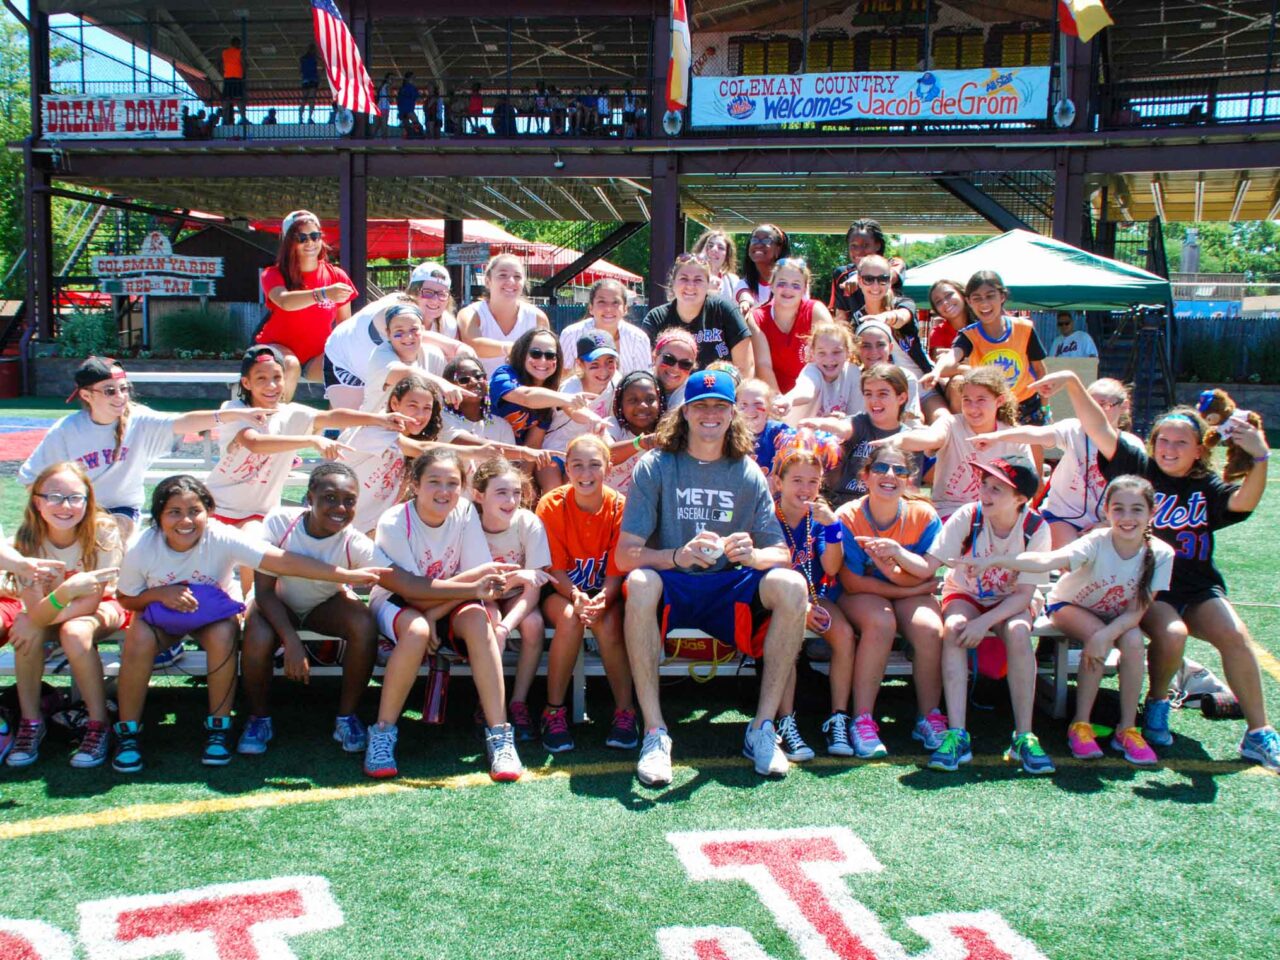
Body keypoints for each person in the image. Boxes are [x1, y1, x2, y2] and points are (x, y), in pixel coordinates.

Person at [1037, 371, 1280, 770]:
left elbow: (1243, 503)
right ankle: (1157, 703)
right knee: (1172, 633)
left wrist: (1260, 457)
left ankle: (1258, 733)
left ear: (1200, 450)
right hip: (1148, 587)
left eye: (1181, 442)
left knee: (1236, 635)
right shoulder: (1137, 466)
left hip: (1197, 586)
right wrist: (1071, 383)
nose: (1169, 448)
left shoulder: (1207, 486)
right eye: (1163, 440)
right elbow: (1096, 425)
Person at [112, 476, 386, 773]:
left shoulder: (221, 535)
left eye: (195, 511)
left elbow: (282, 561)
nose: (186, 520)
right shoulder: (144, 545)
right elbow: (126, 598)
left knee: (224, 633)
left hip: (211, 615)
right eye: (174, 512)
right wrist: (161, 594)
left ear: (209, 512)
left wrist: (346, 577)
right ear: (159, 517)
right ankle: (128, 732)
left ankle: (219, 727)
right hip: (161, 615)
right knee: (138, 637)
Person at [616, 369, 809, 785]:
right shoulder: (656, 465)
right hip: (676, 581)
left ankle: (762, 728)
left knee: (792, 586)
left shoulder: (746, 471)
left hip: (728, 584)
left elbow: (781, 554)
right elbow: (625, 555)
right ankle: (654, 731)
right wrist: (676, 554)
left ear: (732, 413)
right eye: (700, 405)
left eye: (719, 406)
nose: (709, 414)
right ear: (684, 413)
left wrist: (753, 554)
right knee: (641, 583)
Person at [975, 475, 1174, 764]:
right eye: (1118, 509)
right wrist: (999, 560)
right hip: (1068, 606)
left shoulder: (1161, 553)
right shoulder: (1096, 541)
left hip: (1118, 616)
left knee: (1132, 642)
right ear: (1106, 512)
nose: (1126, 517)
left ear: (1151, 514)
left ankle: (1127, 728)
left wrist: (1107, 635)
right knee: (1097, 636)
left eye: (1136, 509)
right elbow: (1050, 561)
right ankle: (1080, 725)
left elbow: (1137, 611)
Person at [364, 450, 523, 781]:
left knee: (479, 622)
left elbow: (480, 574)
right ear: (415, 484)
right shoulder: (395, 521)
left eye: (453, 483)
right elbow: (410, 590)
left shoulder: (464, 510)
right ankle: (382, 733)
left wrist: (445, 605)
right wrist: (466, 592)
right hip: (396, 600)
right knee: (418, 631)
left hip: (446, 599)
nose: (444, 491)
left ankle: (500, 734)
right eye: (434, 482)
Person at [18, 357, 267, 541]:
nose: (120, 396)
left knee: (107, 535)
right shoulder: (67, 430)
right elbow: (32, 479)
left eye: (124, 389)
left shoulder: (139, 420)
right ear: (86, 395)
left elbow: (184, 421)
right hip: (75, 508)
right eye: (109, 391)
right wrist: (54, 514)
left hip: (120, 510)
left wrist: (235, 414)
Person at [238, 464, 389, 756]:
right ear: (310, 497)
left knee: (362, 622)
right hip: (276, 603)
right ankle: (258, 718)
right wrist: (291, 641)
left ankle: (346, 718)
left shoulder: (353, 540)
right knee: (257, 632)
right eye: (330, 497)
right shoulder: (281, 522)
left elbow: (392, 574)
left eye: (349, 500)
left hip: (322, 606)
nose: (340, 507)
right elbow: (265, 592)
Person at [924, 455, 1055, 774]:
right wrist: (896, 556)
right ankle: (957, 734)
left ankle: (1024, 735)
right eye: (984, 484)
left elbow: (1024, 595)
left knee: (1019, 632)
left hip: (1013, 599)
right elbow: (930, 563)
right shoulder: (967, 516)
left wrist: (984, 623)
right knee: (954, 627)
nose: (985, 492)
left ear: (1021, 499)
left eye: (998, 488)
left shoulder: (1036, 528)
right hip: (967, 593)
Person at [204, 346, 410, 535]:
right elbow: (255, 443)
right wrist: (311, 440)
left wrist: (379, 419)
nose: (272, 385)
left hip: (259, 512)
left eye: (277, 377)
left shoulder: (292, 413)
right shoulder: (234, 410)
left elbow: (332, 416)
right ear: (246, 383)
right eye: (261, 378)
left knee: (256, 546)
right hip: (218, 506)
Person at [2, 463, 124, 769]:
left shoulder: (102, 530)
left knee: (73, 631)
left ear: (88, 500)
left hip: (104, 607)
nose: (65, 506)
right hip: (56, 608)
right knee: (27, 631)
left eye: (74, 497)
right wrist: (60, 597)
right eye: (54, 496)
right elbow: (36, 607)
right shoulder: (29, 538)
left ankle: (99, 723)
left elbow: (88, 604)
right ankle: (31, 722)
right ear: (37, 502)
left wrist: (48, 607)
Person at [835, 444, 946, 759]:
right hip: (862, 594)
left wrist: (894, 566)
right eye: (881, 468)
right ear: (865, 476)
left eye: (899, 470)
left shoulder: (924, 515)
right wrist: (909, 588)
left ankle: (929, 717)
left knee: (929, 629)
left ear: (910, 479)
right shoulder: (849, 516)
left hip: (906, 589)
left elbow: (927, 572)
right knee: (881, 623)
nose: (890, 475)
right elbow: (853, 582)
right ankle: (863, 720)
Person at [536, 434, 637, 751]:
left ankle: (625, 711)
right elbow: (555, 570)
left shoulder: (620, 505)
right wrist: (578, 597)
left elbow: (616, 571)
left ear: (608, 467)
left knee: (607, 623)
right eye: (577, 465)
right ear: (567, 469)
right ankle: (553, 711)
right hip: (562, 590)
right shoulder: (551, 504)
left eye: (594, 465)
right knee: (569, 619)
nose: (586, 473)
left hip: (604, 589)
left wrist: (603, 598)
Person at [769, 439, 855, 759]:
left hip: (817, 595)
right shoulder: (767, 515)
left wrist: (832, 527)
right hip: (776, 598)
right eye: (797, 481)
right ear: (779, 482)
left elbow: (831, 566)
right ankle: (786, 722)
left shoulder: (820, 519)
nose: (805, 489)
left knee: (844, 635)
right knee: (789, 638)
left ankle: (838, 718)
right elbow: (764, 572)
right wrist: (800, 608)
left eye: (813, 482)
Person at [972, 378, 1135, 547]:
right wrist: (996, 437)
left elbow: (1135, 493)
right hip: (1062, 514)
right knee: (1073, 557)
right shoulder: (1073, 429)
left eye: (1103, 405)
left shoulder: (1132, 446)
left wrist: (1107, 524)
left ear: (1123, 406)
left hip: (1108, 520)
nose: (1094, 411)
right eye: (1089, 403)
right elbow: (1036, 434)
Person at [471, 459, 552, 743]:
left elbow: (534, 588)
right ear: (479, 495)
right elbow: (477, 584)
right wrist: (518, 578)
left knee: (533, 625)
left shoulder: (528, 522)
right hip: (484, 594)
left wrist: (507, 627)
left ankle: (518, 701)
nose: (511, 500)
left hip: (519, 595)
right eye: (501, 492)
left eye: (516, 492)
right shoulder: (469, 523)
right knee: (487, 621)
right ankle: (489, 700)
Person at [887, 367, 1033, 521]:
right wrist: (899, 440)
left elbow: (1027, 487)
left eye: (981, 400)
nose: (972, 407)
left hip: (996, 514)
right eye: (966, 400)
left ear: (999, 401)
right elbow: (931, 437)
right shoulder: (951, 424)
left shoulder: (1014, 436)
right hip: (950, 511)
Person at [323, 260, 468, 410]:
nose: (434, 299)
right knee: (355, 424)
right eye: (428, 292)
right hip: (346, 362)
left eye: (442, 294)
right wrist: (456, 347)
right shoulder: (393, 308)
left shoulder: (447, 324)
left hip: (391, 371)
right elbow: (408, 335)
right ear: (413, 291)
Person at [924, 270, 1049, 429]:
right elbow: (953, 356)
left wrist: (1046, 409)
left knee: (1032, 452)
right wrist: (936, 371)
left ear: (1002, 297)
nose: (984, 303)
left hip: (1026, 404)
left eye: (990, 296)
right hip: (993, 408)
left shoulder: (1023, 328)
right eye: (977, 298)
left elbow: (1040, 370)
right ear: (969, 301)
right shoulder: (969, 335)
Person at [256, 210, 357, 401]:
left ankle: (337, 428)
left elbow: (345, 327)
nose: (310, 242)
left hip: (316, 358)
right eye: (301, 237)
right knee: (290, 364)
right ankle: (276, 424)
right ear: (288, 242)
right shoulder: (273, 273)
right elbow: (285, 301)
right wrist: (324, 293)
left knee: (350, 370)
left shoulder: (336, 275)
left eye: (315, 236)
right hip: (277, 349)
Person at [802, 363, 918, 508]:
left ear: (901, 398)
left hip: (884, 506)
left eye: (883, 394)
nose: (874, 400)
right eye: (868, 394)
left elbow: (911, 489)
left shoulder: (909, 438)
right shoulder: (860, 422)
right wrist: (818, 423)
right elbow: (843, 428)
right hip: (843, 503)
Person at [490, 329, 603, 451]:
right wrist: (566, 398)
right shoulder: (504, 375)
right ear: (523, 354)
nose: (543, 361)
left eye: (550, 355)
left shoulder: (548, 400)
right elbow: (526, 397)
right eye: (535, 353)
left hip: (512, 457)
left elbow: (532, 446)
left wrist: (595, 419)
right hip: (484, 447)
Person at [640, 254, 754, 374]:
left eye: (698, 280)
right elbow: (647, 367)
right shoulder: (656, 318)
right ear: (673, 283)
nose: (690, 285)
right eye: (684, 279)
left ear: (708, 284)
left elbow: (745, 369)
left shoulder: (725, 311)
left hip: (718, 389)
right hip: (671, 390)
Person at [539, 330, 619, 490]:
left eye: (609, 362)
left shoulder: (616, 381)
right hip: (556, 451)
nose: (603, 371)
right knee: (555, 494)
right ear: (580, 364)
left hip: (586, 455)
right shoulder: (571, 386)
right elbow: (573, 410)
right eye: (594, 365)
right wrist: (593, 418)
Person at [457, 254, 551, 376]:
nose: (511, 281)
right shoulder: (471, 314)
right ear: (487, 281)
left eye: (517, 276)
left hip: (524, 391)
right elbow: (472, 346)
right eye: (502, 275)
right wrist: (513, 348)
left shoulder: (538, 318)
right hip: (480, 391)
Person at [751, 258, 832, 395]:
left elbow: (833, 356)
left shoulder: (816, 312)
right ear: (771, 285)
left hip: (816, 394)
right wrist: (779, 403)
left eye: (796, 285)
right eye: (782, 283)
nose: (788, 289)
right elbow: (763, 365)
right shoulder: (757, 318)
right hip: (776, 397)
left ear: (804, 289)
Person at [848, 255, 927, 382]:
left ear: (890, 281)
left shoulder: (904, 304)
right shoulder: (857, 320)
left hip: (921, 385)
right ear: (859, 281)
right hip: (880, 388)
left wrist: (883, 318)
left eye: (882, 279)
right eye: (868, 279)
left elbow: (902, 317)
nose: (875, 285)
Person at [776, 321, 862, 424]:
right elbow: (806, 390)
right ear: (812, 353)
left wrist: (845, 420)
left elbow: (856, 417)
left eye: (836, 352)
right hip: (799, 436)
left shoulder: (852, 373)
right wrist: (789, 399)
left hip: (834, 437)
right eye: (822, 353)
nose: (829, 359)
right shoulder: (811, 371)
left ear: (848, 352)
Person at [559, 278, 651, 374]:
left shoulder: (639, 338)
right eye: (601, 302)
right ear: (591, 308)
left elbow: (644, 379)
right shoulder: (570, 335)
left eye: (615, 302)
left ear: (625, 309)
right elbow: (562, 378)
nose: (608, 308)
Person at [828, 218, 907, 324]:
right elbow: (840, 316)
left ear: (878, 245)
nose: (859, 251)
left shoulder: (893, 264)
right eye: (853, 245)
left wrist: (858, 278)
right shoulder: (841, 274)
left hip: (890, 331)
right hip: (858, 335)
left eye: (866, 245)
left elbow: (891, 275)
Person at [853, 318, 924, 421]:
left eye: (880, 345)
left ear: (890, 348)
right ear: (857, 349)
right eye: (866, 346)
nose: (874, 351)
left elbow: (911, 421)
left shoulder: (905, 377)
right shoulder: (850, 375)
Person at [605, 370, 663, 494]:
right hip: (611, 507)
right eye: (633, 400)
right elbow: (605, 454)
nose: (642, 406)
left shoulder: (666, 431)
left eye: (650, 399)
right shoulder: (611, 425)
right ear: (621, 404)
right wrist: (639, 443)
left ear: (659, 402)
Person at [735, 378, 793, 479]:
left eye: (758, 404)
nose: (750, 410)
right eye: (744, 404)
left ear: (769, 407)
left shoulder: (780, 432)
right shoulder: (730, 433)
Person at [734, 223, 789, 313]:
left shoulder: (791, 283)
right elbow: (744, 296)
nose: (758, 245)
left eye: (766, 241)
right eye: (754, 240)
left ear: (778, 250)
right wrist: (745, 303)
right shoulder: (743, 284)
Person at [651, 327, 698, 409]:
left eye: (685, 364)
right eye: (669, 359)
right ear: (655, 357)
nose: (675, 368)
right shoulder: (637, 385)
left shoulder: (693, 397)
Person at [690, 229, 740, 302]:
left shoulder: (733, 281)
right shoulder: (689, 277)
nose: (714, 249)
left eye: (721, 248)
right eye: (710, 246)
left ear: (727, 255)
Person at [220, 36, 246, 126]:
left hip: (227, 78)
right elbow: (244, 63)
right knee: (239, 99)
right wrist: (244, 73)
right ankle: (243, 118)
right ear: (237, 43)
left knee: (226, 100)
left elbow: (220, 63)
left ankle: (224, 119)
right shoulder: (239, 52)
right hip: (237, 78)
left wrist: (223, 72)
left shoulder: (224, 52)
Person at [397, 72, 423, 137]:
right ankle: (419, 137)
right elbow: (418, 98)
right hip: (409, 109)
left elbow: (398, 100)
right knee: (416, 124)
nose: (414, 79)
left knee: (407, 127)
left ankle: (406, 139)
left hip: (402, 110)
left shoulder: (402, 88)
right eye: (413, 78)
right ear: (409, 79)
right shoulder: (411, 88)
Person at [299, 43, 319, 123]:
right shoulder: (315, 58)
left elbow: (299, 70)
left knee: (304, 99)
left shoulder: (303, 58)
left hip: (305, 80)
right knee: (311, 99)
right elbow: (322, 65)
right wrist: (318, 75)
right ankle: (309, 118)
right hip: (313, 79)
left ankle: (300, 118)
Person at [373, 73, 393, 138]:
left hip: (379, 106)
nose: (392, 80)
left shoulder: (382, 86)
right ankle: (385, 139)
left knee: (377, 125)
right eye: (391, 79)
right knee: (384, 124)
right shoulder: (388, 86)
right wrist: (392, 100)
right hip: (385, 107)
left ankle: (371, 139)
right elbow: (389, 98)